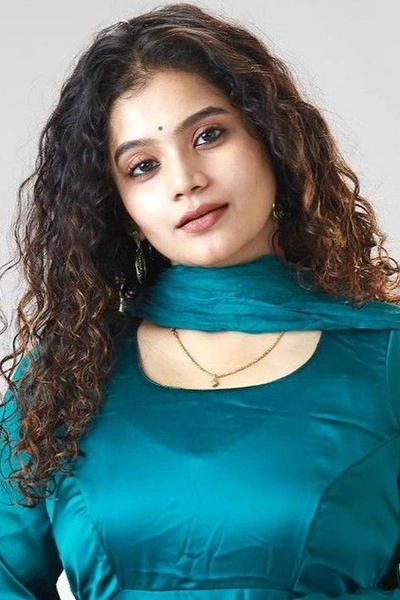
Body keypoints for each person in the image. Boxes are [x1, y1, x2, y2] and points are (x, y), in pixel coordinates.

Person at [1, 3, 400, 599]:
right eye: (142, 166)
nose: (184, 179)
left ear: (272, 140)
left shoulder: (388, 359)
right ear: (121, 210)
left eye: (209, 135)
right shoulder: (65, 377)